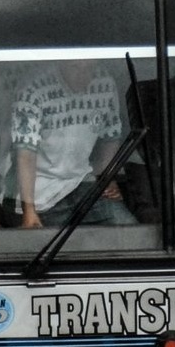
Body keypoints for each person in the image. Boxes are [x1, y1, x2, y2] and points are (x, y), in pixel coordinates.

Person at [9, 63, 137, 229]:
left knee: (130, 231)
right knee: (55, 248)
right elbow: (25, 155)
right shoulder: (32, 88)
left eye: (88, 68)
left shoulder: (103, 82)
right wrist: (29, 211)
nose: (84, 75)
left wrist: (106, 177)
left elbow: (110, 135)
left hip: (82, 183)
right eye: (76, 68)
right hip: (40, 193)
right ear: (62, 63)